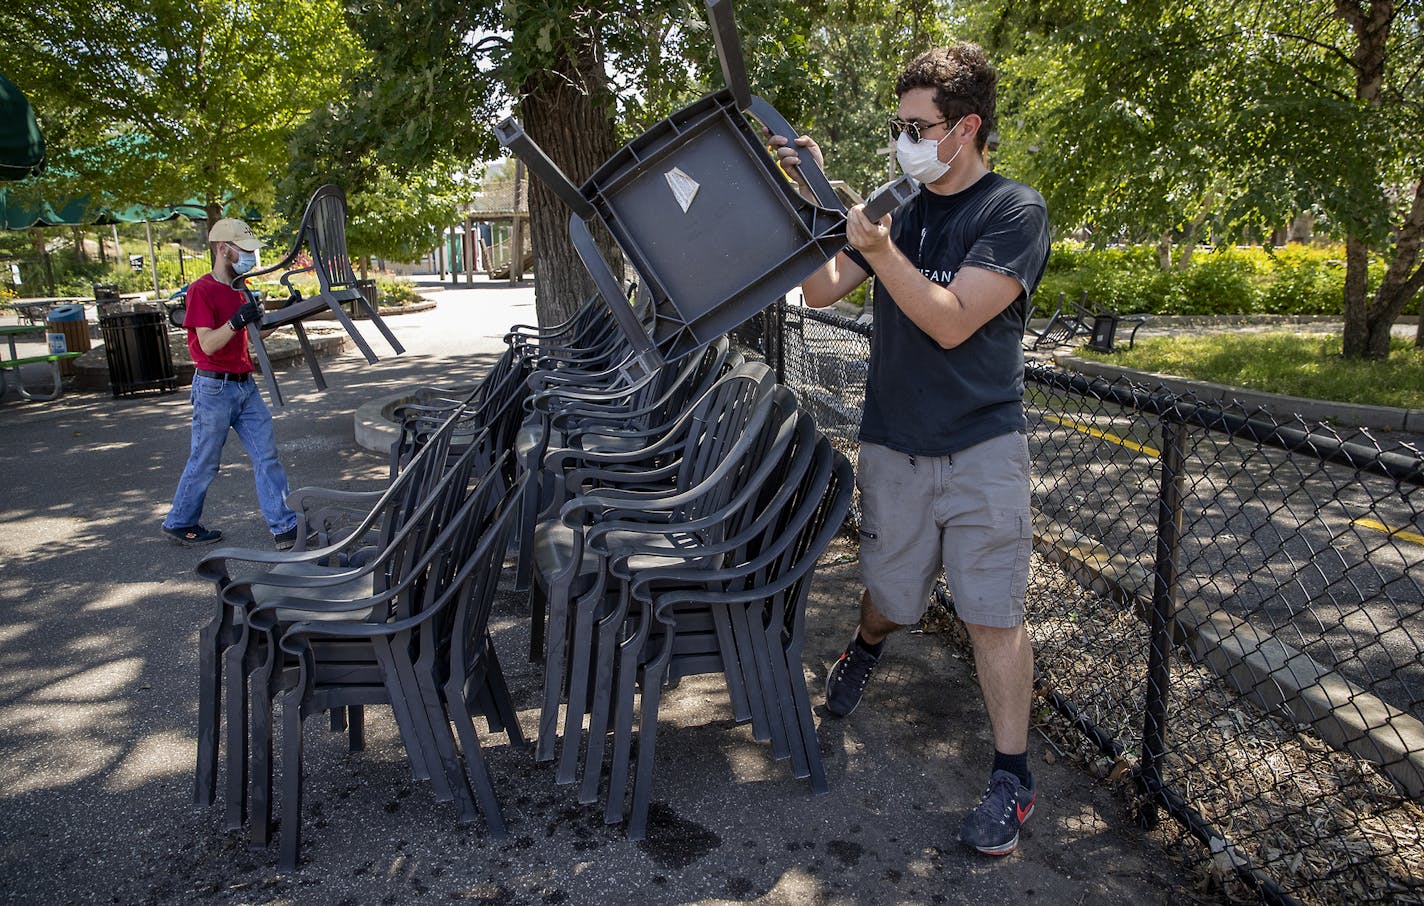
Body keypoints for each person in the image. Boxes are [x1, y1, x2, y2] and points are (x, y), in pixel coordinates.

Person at [769, 44, 1050, 856]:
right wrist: (820, 198)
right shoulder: (900, 207)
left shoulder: (1012, 212)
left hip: (982, 447)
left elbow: (953, 318)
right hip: (894, 442)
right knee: (891, 598)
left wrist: (883, 247)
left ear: (967, 128)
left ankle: (1011, 778)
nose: (905, 140)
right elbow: (819, 288)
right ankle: (866, 646)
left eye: (917, 127)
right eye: (898, 126)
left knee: (992, 614)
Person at [161, 218, 303, 550]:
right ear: (224, 248)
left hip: (244, 385)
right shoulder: (201, 290)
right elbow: (208, 344)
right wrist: (235, 320)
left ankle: (284, 527)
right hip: (213, 388)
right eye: (245, 249)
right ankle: (180, 522)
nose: (251, 256)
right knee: (205, 460)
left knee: (267, 455)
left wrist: (289, 312)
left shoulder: (239, 290)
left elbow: (253, 334)